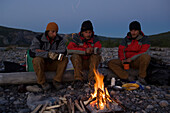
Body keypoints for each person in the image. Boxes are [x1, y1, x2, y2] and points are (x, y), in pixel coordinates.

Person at [29, 22, 68, 91]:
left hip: (53, 64)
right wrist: (47, 54)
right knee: (37, 60)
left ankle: (57, 81)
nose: (55, 34)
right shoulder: (38, 39)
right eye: (53, 32)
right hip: (42, 64)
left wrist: (51, 53)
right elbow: (32, 52)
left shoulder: (59, 39)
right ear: (48, 31)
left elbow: (64, 51)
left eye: (56, 32)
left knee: (64, 59)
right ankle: (42, 83)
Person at [67, 20, 102, 87]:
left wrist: (93, 50)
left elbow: (99, 49)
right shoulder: (76, 38)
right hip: (80, 62)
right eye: (86, 32)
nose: (88, 34)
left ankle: (92, 79)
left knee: (96, 56)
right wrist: (84, 51)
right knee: (75, 56)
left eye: (90, 32)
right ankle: (78, 79)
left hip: (90, 62)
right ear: (82, 32)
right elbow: (69, 49)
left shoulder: (95, 38)